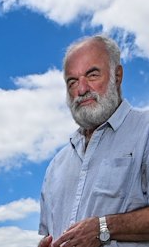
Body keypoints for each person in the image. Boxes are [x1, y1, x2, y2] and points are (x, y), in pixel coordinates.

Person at [38, 35, 149, 247]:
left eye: (92, 75)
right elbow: (50, 235)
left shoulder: (145, 131)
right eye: (72, 81)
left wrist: (104, 228)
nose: (81, 89)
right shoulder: (56, 166)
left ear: (118, 76)